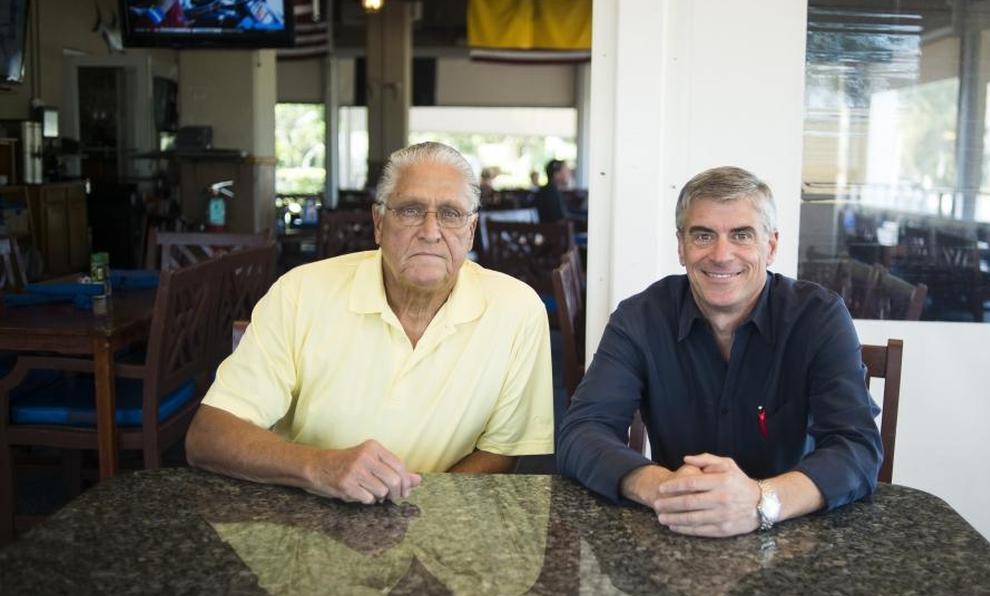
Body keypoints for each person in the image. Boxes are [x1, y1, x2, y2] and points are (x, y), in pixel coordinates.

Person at [187, 141, 555, 504]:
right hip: (308, 516)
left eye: (451, 213)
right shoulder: (300, 292)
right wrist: (318, 466)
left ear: (471, 231)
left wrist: (418, 512)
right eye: (410, 210)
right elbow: (208, 435)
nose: (430, 231)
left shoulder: (517, 310)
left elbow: (501, 451)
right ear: (379, 223)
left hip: (443, 521)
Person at [556, 166, 881, 537]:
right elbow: (581, 432)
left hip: (791, 531)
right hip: (676, 524)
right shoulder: (639, 318)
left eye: (741, 235)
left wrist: (760, 501)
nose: (722, 255)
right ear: (681, 247)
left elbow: (856, 446)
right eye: (703, 235)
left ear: (771, 246)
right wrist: (664, 488)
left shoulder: (819, 317)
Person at [536, 159, 573, 223]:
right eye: (566, 171)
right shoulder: (551, 193)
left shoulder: (550, 190)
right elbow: (559, 220)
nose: (569, 173)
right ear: (556, 174)